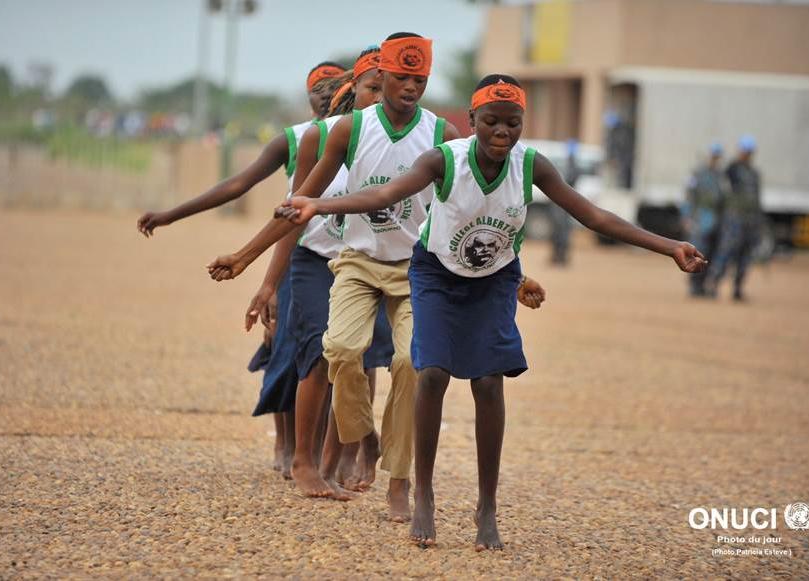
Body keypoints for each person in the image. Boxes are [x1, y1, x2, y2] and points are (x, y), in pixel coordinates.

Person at [278, 74, 706, 550]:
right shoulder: (444, 159)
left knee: (487, 382)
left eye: (513, 123)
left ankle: (486, 506)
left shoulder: (531, 165)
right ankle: (423, 494)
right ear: (473, 120)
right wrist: (318, 204)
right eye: (492, 122)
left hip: (495, 279)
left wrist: (668, 246)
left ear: (523, 123)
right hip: (437, 275)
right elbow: (384, 195)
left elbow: (593, 216)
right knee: (431, 372)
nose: (502, 132)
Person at [206, 33, 462, 522]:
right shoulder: (350, 129)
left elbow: (469, 210)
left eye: (420, 79)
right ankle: (363, 438)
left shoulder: (443, 135)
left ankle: (399, 481)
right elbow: (300, 204)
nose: (411, 87)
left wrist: (506, 276)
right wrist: (245, 257)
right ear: (381, 75)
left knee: (410, 364)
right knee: (340, 351)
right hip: (357, 263)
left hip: (414, 269)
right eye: (401, 77)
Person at [135, 60, 345, 478]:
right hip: (298, 251)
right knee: (287, 349)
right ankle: (287, 443)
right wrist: (172, 215)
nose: (326, 100)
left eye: (334, 92)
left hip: (350, 255)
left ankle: (339, 450)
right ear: (310, 102)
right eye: (319, 94)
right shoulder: (298, 139)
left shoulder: (363, 136)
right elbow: (237, 185)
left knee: (350, 357)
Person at [241, 47, 394, 500]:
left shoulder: (402, 143)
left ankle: (348, 450)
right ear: (353, 89)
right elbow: (293, 213)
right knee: (314, 355)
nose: (381, 97)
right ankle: (301, 457)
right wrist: (265, 278)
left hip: (366, 263)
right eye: (372, 88)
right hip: (313, 261)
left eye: (387, 88)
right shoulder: (317, 137)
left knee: (361, 358)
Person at [705, 135, 762, 301]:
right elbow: (721, 190)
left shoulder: (754, 174)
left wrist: (758, 220)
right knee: (726, 251)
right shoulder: (732, 169)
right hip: (733, 219)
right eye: (745, 151)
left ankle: (738, 288)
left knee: (745, 256)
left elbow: (757, 198)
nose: (747, 154)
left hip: (750, 220)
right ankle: (713, 284)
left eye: (749, 152)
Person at [682, 143, 728, 297]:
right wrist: (687, 217)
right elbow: (689, 196)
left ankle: (706, 285)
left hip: (717, 220)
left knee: (713, 254)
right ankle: (695, 285)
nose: (715, 159)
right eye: (714, 156)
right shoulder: (698, 174)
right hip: (701, 219)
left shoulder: (721, 176)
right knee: (699, 252)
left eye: (718, 157)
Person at [549, 139, 581, 265]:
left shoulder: (572, 167)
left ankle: (560, 256)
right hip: (561, 204)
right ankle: (558, 256)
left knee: (563, 231)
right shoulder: (566, 164)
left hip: (564, 204)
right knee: (560, 230)